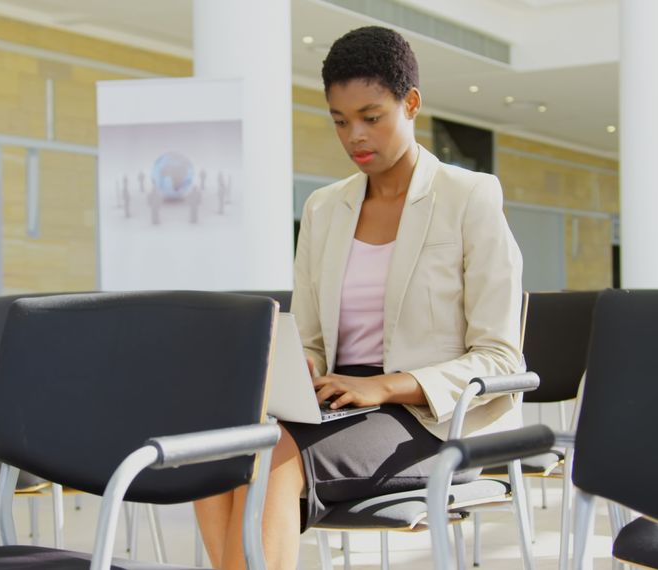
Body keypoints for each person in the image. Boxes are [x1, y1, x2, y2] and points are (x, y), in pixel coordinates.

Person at [194, 26, 524, 570]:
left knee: (272, 454)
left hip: (429, 415)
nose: (355, 137)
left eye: (372, 117)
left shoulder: (470, 197)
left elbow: (499, 357)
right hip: (336, 400)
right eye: (341, 121)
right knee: (214, 445)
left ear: (410, 103)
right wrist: (301, 370)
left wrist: (385, 387)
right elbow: (315, 340)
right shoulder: (326, 208)